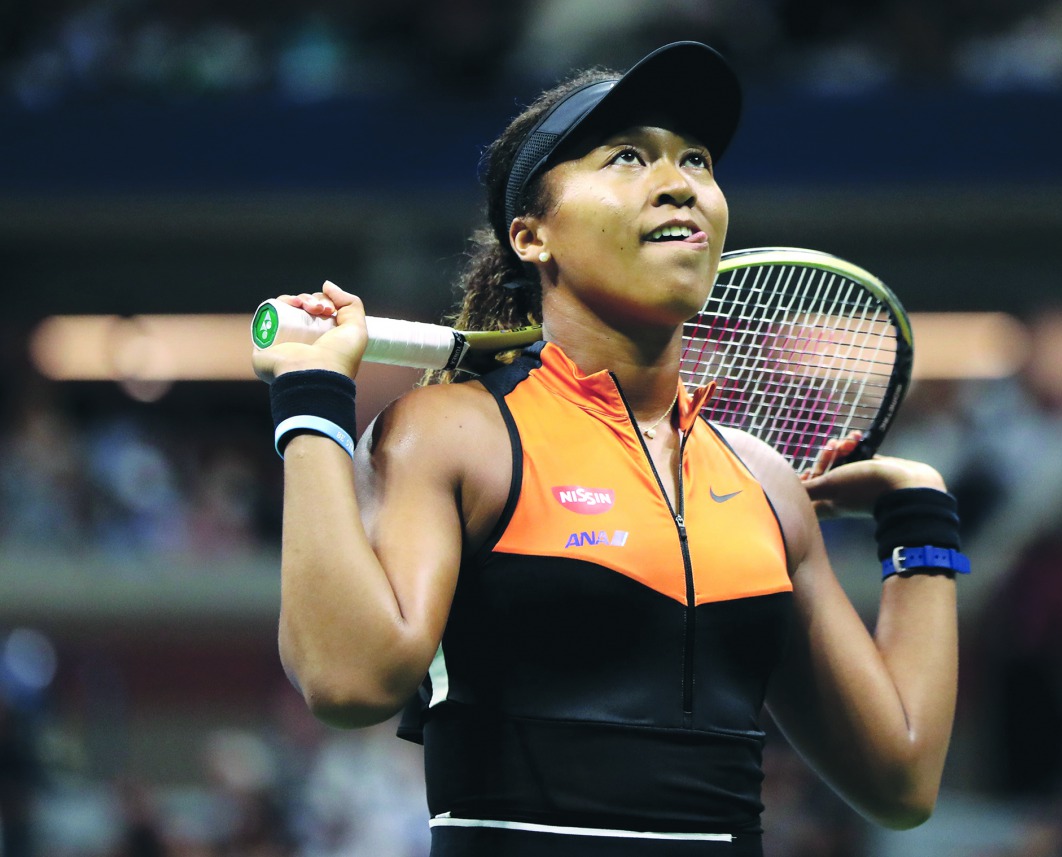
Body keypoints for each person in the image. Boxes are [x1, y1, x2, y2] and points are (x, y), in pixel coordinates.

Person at [252, 41, 966, 857]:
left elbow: (902, 780)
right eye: (627, 156)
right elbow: (346, 680)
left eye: (696, 161)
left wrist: (919, 514)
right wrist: (309, 402)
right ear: (532, 237)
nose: (679, 182)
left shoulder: (762, 482)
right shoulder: (458, 434)